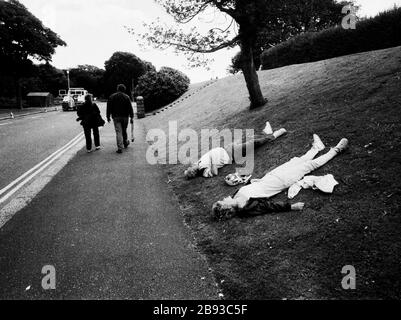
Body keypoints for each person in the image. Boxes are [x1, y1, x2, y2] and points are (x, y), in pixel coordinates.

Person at [212, 135, 349, 221]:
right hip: (281, 181)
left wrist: (247, 180)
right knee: (309, 166)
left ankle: (317, 148)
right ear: (228, 207)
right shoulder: (246, 207)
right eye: (223, 201)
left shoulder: (235, 197)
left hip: (270, 177)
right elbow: (269, 206)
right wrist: (291, 207)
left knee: (297, 160)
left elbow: (250, 188)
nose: (224, 198)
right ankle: (336, 150)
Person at [184, 122, 287, 179]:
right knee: (253, 143)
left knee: (247, 138)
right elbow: (214, 173)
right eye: (192, 169)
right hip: (231, 154)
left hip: (226, 148)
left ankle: (265, 132)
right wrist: (212, 159)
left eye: (191, 167)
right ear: (195, 172)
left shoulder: (198, 163)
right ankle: (274, 135)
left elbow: (194, 165)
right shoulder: (204, 171)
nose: (192, 165)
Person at [107, 84, 134, 154]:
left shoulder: (112, 97)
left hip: (116, 117)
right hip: (125, 117)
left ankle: (120, 148)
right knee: (124, 130)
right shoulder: (127, 97)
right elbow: (130, 108)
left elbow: (108, 108)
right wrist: (132, 117)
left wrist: (108, 116)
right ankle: (125, 143)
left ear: (117, 89)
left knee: (119, 132)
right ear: (124, 90)